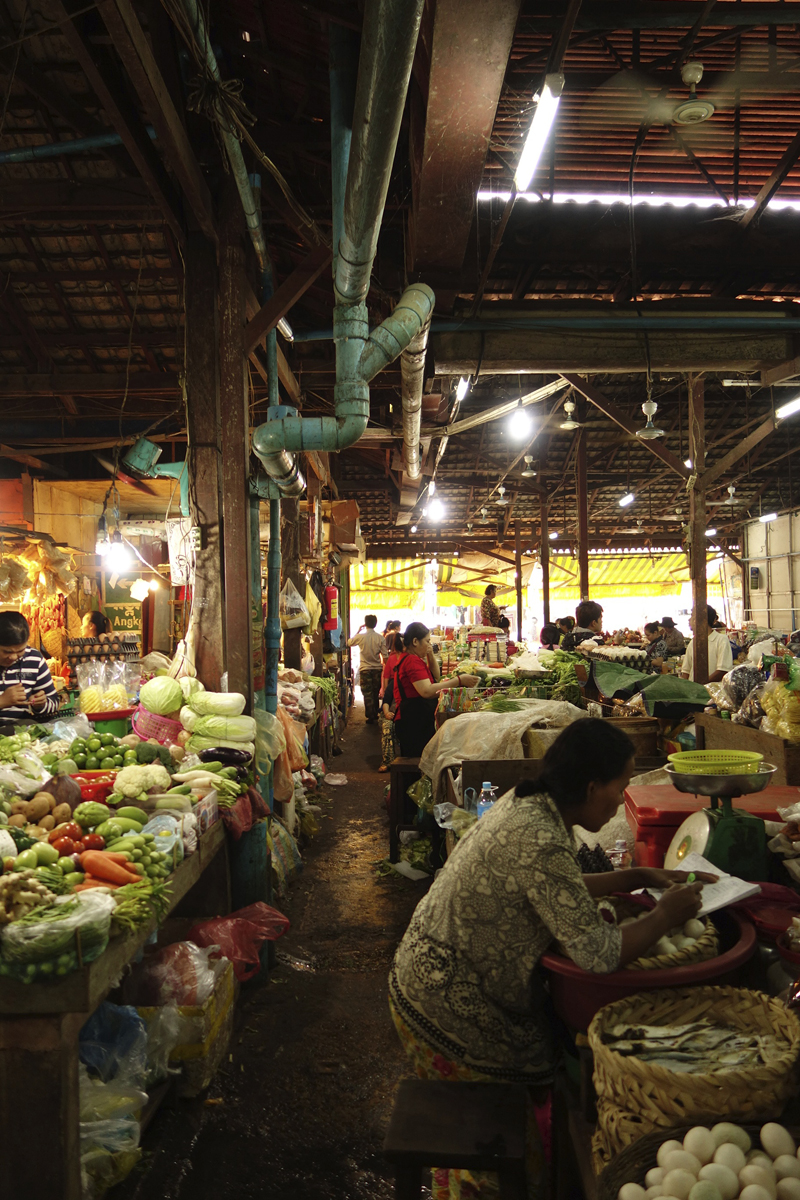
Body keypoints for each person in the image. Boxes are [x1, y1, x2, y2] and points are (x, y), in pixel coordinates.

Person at [389, 719, 713, 1200]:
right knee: (515, 1127)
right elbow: (599, 955)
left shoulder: (531, 805)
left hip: (432, 977)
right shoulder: (539, 833)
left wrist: (633, 877)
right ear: (589, 786)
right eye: (620, 786)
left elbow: (549, 889)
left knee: (539, 1065)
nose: (623, 797)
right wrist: (666, 915)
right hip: (444, 1003)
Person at [393, 622, 479, 757]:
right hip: (413, 721)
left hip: (416, 718)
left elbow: (436, 677)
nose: (429, 644)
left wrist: (430, 655)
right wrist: (459, 681)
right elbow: (427, 691)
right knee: (416, 764)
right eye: (427, 641)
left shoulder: (414, 659)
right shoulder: (412, 662)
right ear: (415, 641)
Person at [0, 611, 59, 721]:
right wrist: (2, 701)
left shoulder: (34, 659)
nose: (13, 657)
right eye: (7, 652)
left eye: (20, 651)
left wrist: (41, 705)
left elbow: (54, 701)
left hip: (23, 732)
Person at [681, 604, 734, 683]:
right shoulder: (693, 642)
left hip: (710, 692)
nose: (689, 620)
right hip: (693, 691)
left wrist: (701, 685)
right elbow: (686, 671)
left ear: (701, 619)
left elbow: (722, 670)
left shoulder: (721, 640)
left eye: (692, 616)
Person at [347, 614, 385, 723]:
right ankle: (375, 713)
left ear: (365, 623)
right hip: (377, 669)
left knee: (367, 693)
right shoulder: (380, 638)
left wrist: (358, 630)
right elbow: (385, 655)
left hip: (365, 669)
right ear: (375, 624)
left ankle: (370, 715)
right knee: (375, 691)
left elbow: (349, 642)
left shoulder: (360, 637)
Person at [379, 674, 399, 773]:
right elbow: (386, 701)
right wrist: (387, 713)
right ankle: (387, 761)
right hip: (392, 714)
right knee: (387, 726)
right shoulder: (394, 683)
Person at [381, 632, 404, 697]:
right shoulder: (409, 657)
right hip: (404, 686)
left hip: (392, 686)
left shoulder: (391, 658)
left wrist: (385, 689)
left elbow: (386, 675)